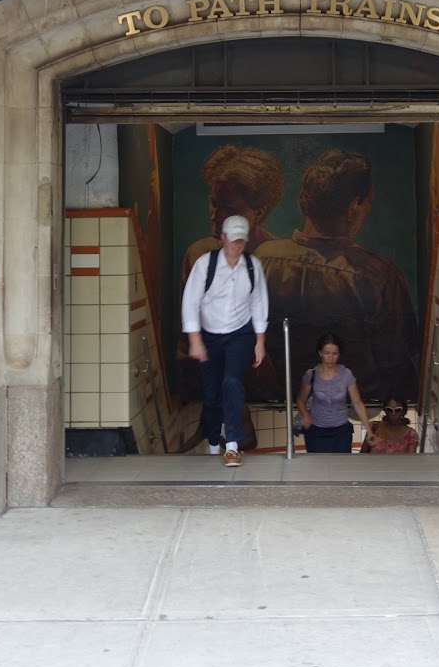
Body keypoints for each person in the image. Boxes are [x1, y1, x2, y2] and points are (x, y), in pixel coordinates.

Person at [260, 148, 420, 402]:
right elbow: (398, 364)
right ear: (354, 205)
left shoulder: (263, 258)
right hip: (356, 406)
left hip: (280, 403)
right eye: (367, 202)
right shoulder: (378, 275)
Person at [181, 214, 269, 467]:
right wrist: (195, 340)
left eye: (241, 240)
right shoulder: (204, 264)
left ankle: (231, 446)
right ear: (223, 238)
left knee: (231, 382)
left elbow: (259, 303)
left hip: (239, 334)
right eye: (233, 240)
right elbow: (190, 302)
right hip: (208, 335)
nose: (237, 245)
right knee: (211, 395)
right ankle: (211, 441)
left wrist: (259, 341)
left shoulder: (253, 267)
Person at [180, 143, 285, 280]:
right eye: (214, 203)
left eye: (228, 209)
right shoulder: (198, 254)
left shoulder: (280, 264)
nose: (214, 216)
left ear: (259, 213)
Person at [296, 335, 371, 453]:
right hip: (316, 430)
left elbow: (357, 403)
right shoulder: (311, 375)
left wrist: (369, 430)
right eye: (326, 353)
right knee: (317, 466)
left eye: (335, 354)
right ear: (320, 353)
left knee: (340, 466)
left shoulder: (346, 374)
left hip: (341, 430)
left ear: (339, 354)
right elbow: (300, 400)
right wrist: (305, 415)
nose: (330, 358)